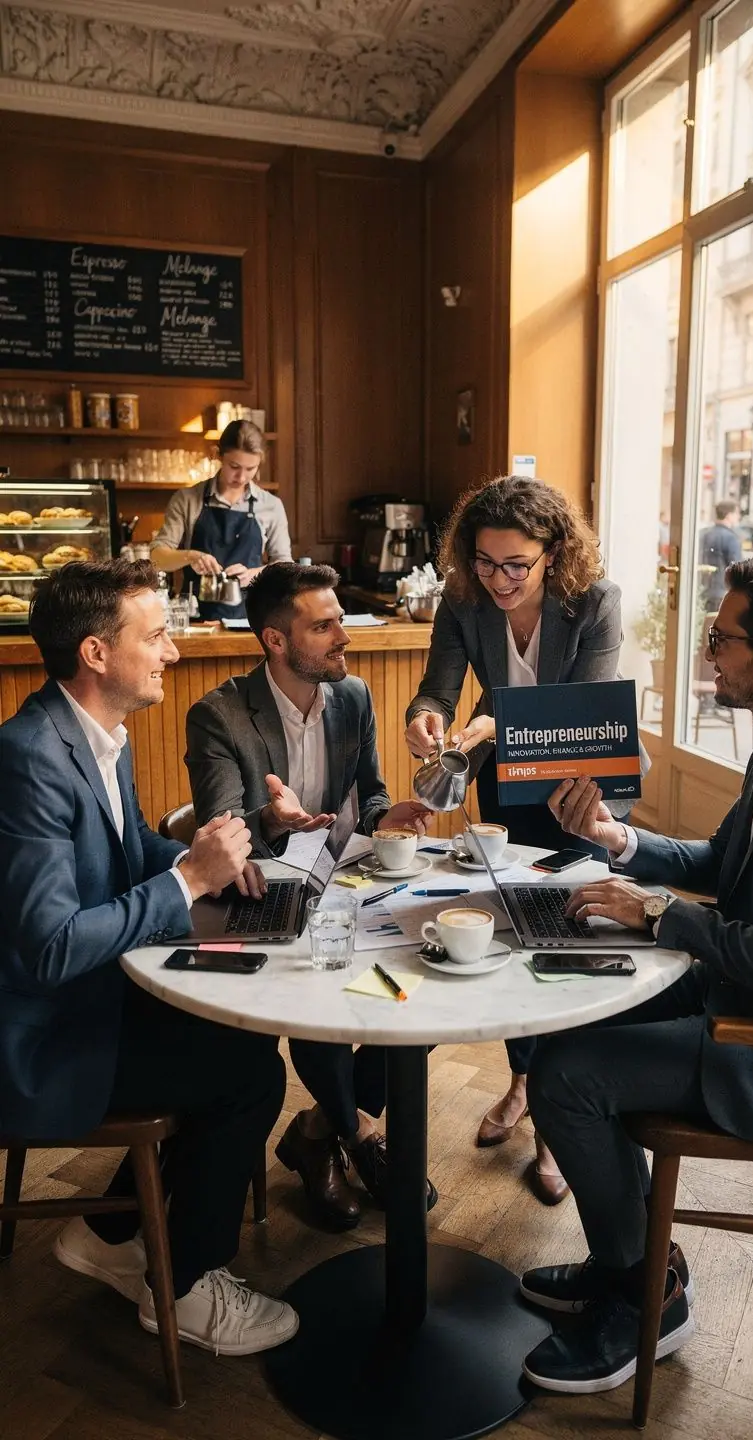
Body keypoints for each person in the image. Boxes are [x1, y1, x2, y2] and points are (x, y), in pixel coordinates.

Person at [518, 557, 753, 1395]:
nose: (709, 654)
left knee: (569, 1078)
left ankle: (646, 1294)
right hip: (741, 992)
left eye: (722, 639)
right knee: (564, 1012)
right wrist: (619, 840)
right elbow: (723, 862)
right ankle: (635, 1262)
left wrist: (655, 914)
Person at [0, 559, 298, 1356]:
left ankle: (107, 1231)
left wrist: (215, 862)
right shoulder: (28, 757)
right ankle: (185, 1290)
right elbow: (52, 945)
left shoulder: (99, 736)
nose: (172, 651)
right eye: (157, 636)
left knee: (241, 1038)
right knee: (248, 1074)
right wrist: (186, 880)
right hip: (45, 1037)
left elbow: (131, 852)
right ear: (97, 653)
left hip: (96, 999)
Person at [186, 561, 437, 1230]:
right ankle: (358, 1137)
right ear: (274, 639)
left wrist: (388, 816)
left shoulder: (351, 696)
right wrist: (274, 820)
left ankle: (320, 1130)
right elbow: (223, 830)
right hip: (267, 896)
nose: (341, 638)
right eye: (322, 626)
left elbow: (372, 791)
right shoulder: (219, 716)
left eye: (338, 621)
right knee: (326, 998)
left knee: (419, 991)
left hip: (348, 887)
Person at [404, 475, 627, 1205]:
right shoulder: (465, 597)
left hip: (576, 788)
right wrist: (429, 718)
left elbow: (582, 712)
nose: (498, 580)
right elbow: (438, 687)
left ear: (553, 553)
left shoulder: (595, 602)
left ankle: (559, 1118)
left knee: (564, 933)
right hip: (502, 785)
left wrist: (499, 724)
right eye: (484, 561)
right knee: (510, 921)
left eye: (515, 565)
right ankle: (524, 1083)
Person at [151, 419, 292, 620]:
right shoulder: (187, 499)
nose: (242, 477)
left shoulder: (271, 505)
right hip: (197, 619)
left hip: (252, 619)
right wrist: (191, 556)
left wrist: (254, 575)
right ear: (217, 455)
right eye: (234, 466)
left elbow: (285, 566)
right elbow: (156, 557)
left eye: (251, 468)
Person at [698, 500, 742, 610]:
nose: (738, 516)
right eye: (736, 513)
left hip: (702, 588)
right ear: (728, 515)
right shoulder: (731, 538)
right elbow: (736, 568)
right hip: (721, 591)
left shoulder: (704, 534)